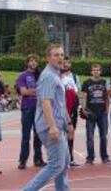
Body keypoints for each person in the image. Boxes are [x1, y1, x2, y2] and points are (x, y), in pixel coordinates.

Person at [23, 44, 73, 191]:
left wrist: (68, 122)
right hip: (50, 126)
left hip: (58, 125)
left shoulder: (55, 75)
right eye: (56, 55)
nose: (60, 58)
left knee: (63, 163)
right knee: (56, 164)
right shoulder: (48, 76)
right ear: (48, 58)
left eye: (62, 55)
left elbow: (59, 104)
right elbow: (46, 102)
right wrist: (52, 127)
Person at [16, 54, 45, 170]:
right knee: (26, 135)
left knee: (38, 135)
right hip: (27, 108)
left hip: (39, 108)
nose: (33, 63)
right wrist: (35, 91)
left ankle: (38, 159)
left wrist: (32, 91)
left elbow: (44, 91)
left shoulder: (40, 75)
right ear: (27, 62)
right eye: (31, 61)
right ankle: (23, 160)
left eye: (35, 61)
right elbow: (23, 92)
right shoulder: (23, 76)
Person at [82, 64, 111, 165]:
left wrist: (107, 109)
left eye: (98, 70)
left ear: (100, 71)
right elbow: (85, 97)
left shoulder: (104, 82)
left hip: (102, 113)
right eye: (94, 70)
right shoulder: (86, 83)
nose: (96, 72)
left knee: (103, 136)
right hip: (91, 113)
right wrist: (84, 108)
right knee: (90, 136)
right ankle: (90, 157)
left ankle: (104, 157)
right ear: (91, 72)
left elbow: (107, 97)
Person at [61, 56, 81, 167]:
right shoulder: (57, 76)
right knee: (62, 133)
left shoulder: (74, 77)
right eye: (63, 62)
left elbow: (77, 93)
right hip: (61, 108)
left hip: (72, 107)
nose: (65, 64)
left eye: (67, 62)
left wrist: (77, 107)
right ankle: (61, 158)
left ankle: (70, 158)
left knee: (71, 132)